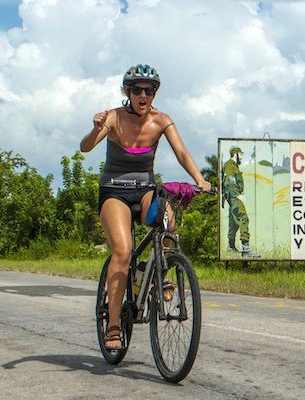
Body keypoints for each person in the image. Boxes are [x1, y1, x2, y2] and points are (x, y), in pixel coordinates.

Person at [80, 64, 211, 351]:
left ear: (154, 94)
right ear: (127, 92)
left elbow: (181, 152)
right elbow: (85, 147)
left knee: (169, 223)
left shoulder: (161, 120)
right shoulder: (113, 117)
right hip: (114, 192)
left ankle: (158, 273)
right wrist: (96, 128)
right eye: (137, 89)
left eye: (148, 90)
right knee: (123, 252)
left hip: (145, 190)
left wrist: (200, 180)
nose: (143, 94)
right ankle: (114, 326)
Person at [222, 146, 259, 257]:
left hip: (233, 197)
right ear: (236, 154)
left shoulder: (233, 166)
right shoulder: (230, 165)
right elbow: (228, 182)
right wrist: (237, 195)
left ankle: (231, 246)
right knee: (243, 218)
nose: (242, 157)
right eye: (241, 154)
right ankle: (246, 248)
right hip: (234, 197)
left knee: (233, 222)